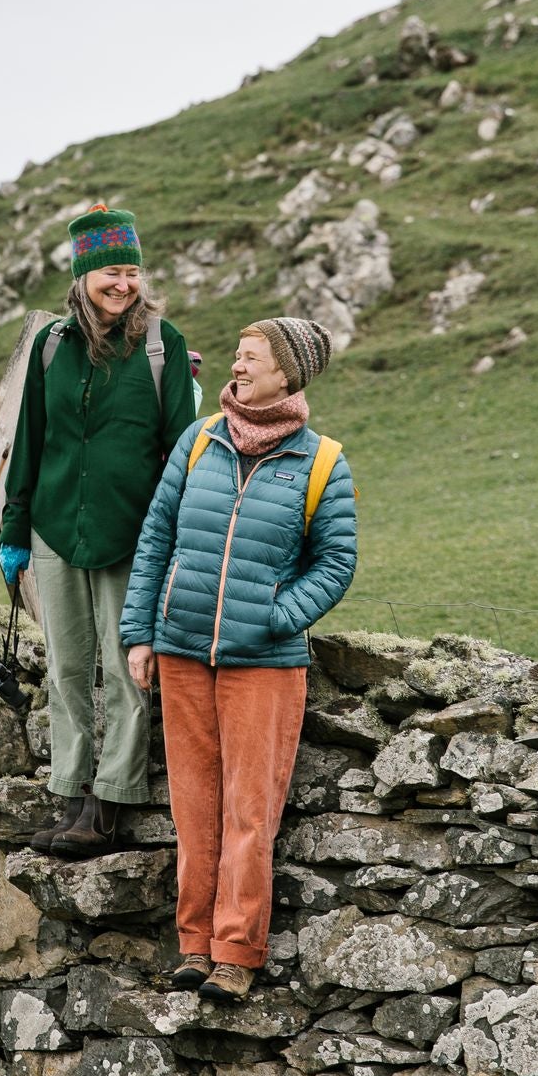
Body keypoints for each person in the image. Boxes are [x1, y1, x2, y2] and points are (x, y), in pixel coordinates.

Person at [119, 317, 356, 1001]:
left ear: (287, 372)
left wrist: (270, 618)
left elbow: (335, 563)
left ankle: (235, 953)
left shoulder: (321, 462)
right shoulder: (198, 442)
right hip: (182, 653)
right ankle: (193, 946)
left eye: (251, 357)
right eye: (238, 356)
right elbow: (156, 536)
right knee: (194, 810)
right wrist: (141, 633)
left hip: (265, 666)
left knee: (250, 814)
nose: (237, 365)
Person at [0, 205, 197, 857]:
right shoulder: (50, 346)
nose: (123, 284)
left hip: (131, 532)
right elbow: (29, 437)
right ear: (83, 275)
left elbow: (179, 451)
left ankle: (109, 801)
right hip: (57, 524)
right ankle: (69, 791)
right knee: (66, 665)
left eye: (132, 272)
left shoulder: (161, 345)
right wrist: (15, 527)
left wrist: (168, 537)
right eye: (112, 271)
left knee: (124, 666)